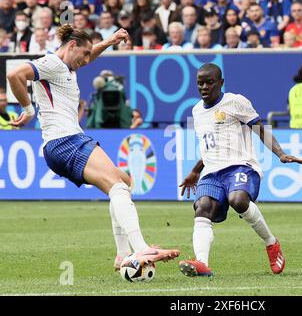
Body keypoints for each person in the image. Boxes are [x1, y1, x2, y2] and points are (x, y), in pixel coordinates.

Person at [7, 24, 180, 270]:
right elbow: (14, 75)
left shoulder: (66, 66)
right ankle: (141, 248)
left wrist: (109, 41)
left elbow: (89, 54)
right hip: (64, 141)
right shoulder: (52, 63)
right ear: (72, 45)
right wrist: (27, 109)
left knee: (125, 181)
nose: (87, 60)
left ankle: (122, 256)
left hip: (66, 142)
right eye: (84, 54)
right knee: (118, 186)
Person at [178, 63, 302, 277]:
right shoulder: (197, 111)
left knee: (238, 200)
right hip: (211, 171)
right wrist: (195, 171)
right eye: (200, 83)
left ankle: (271, 243)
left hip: (241, 165)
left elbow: (259, 129)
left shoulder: (236, 102)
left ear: (221, 83)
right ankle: (201, 264)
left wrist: (280, 153)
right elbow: (211, 146)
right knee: (202, 208)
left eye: (209, 82)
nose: (204, 87)